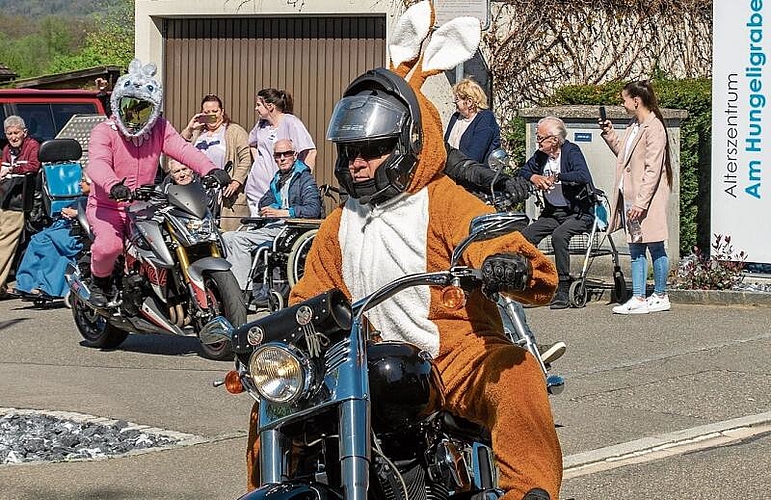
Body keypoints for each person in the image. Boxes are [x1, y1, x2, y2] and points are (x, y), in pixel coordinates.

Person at [245, 67, 562, 499]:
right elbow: (309, 293)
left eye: (372, 150)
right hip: (358, 359)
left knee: (517, 374)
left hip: (453, 355)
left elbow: (490, 239)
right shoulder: (339, 223)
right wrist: (273, 336)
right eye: (350, 150)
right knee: (274, 398)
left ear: (406, 146)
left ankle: (527, 490)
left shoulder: (444, 199)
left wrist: (509, 264)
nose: (357, 163)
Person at [85, 58, 230, 308]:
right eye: (129, 106)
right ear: (118, 103)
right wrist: (112, 185)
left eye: (142, 109)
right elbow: (96, 163)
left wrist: (212, 169)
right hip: (107, 206)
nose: (134, 115)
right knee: (109, 246)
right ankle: (100, 283)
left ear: (153, 110)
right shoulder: (104, 130)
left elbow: (183, 149)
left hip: (144, 206)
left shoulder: (159, 129)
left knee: (176, 239)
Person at [600, 80, 672, 315]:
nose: (623, 103)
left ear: (636, 101)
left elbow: (653, 169)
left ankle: (660, 294)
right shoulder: (635, 125)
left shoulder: (654, 128)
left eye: (624, 99)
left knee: (655, 245)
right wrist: (610, 134)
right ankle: (639, 296)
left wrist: (641, 202)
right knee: (636, 247)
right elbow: (625, 154)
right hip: (630, 194)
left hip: (646, 199)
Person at [222, 138, 322, 294]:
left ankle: (241, 293)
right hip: (274, 227)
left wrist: (282, 212)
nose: (282, 158)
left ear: (295, 155)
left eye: (286, 154)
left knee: (239, 240)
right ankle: (235, 288)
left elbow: (313, 209)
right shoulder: (277, 179)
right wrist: (274, 208)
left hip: (291, 230)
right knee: (227, 237)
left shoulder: (304, 178)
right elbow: (264, 202)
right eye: (278, 155)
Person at [518, 116, 596, 309]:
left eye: (541, 138)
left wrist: (557, 177)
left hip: (579, 212)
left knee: (559, 236)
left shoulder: (571, 151)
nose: (537, 142)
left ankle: (563, 284)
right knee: (525, 236)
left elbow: (582, 175)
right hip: (554, 212)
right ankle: (535, 280)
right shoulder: (541, 156)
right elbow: (522, 171)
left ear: (553, 139)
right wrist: (535, 177)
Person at [180, 93, 252, 230]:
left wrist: (236, 181)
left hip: (225, 192)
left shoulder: (234, 131)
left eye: (215, 111)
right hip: (199, 191)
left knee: (226, 233)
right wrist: (190, 128)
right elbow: (178, 148)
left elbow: (246, 159)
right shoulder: (197, 133)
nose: (212, 115)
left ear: (222, 112)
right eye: (207, 112)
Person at [12, 176, 90, 299]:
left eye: (84, 181)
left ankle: (51, 288)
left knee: (50, 244)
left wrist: (76, 213)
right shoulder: (82, 199)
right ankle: (27, 284)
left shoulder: (99, 200)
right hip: (70, 229)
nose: (80, 183)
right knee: (37, 240)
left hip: (84, 234)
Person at [243, 88, 316, 217]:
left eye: (258, 105)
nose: (256, 108)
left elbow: (310, 151)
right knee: (256, 227)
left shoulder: (291, 122)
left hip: (280, 189)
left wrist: (301, 178)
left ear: (270, 106)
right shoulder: (261, 125)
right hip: (257, 188)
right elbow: (252, 143)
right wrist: (259, 161)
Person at [0, 115, 41, 299]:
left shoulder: (32, 146)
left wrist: (12, 170)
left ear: (25, 132)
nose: (13, 136)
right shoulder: (7, 149)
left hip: (20, 201)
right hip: (6, 198)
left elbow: (34, 166)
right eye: (9, 133)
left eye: (16, 133)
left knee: (6, 243)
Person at [444, 77, 501, 165]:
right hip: (452, 169)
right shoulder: (455, 117)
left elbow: (474, 156)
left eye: (457, 100)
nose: (455, 103)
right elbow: (445, 146)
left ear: (469, 102)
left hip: (475, 174)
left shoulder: (485, 119)